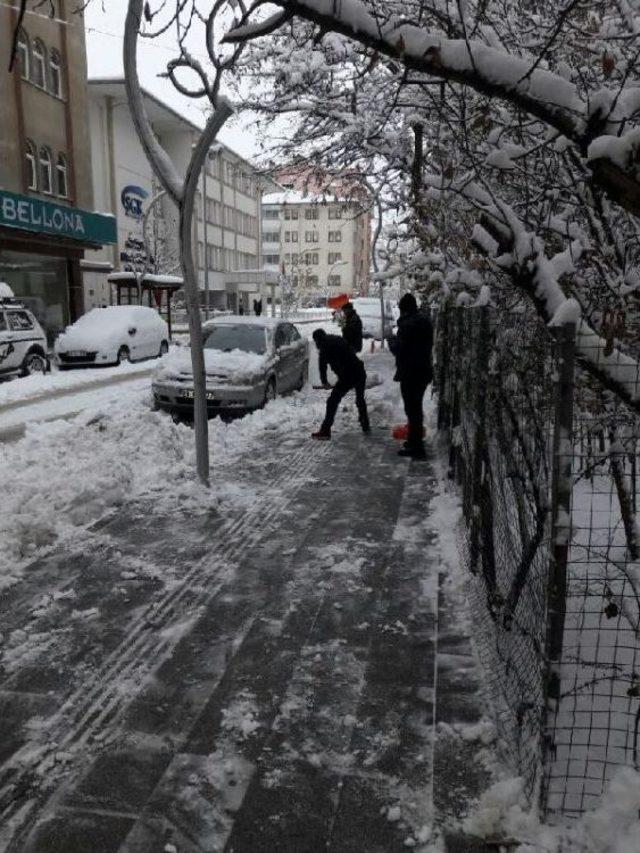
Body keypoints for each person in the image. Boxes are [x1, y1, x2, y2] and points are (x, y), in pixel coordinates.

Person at [391, 292, 433, 459]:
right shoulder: (424, 321)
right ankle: (414, 441)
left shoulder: (408, 324)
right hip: (422, 370)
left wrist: (392, 343)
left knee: (413, 409)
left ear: (403, 309)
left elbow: (401, 350)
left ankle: (417, 447)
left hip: (411, 372)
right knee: (415, 408)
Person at [311, 329, 370, 440]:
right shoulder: (337, 339)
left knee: (332, 401)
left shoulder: (324, 347)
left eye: (315, 342)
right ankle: (365, 424)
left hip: (348, 375)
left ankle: (325, 430)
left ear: (317, 340)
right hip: (359, 370)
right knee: (360, 399)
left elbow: (322, 366)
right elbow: (350, 351)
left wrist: (324, 382)